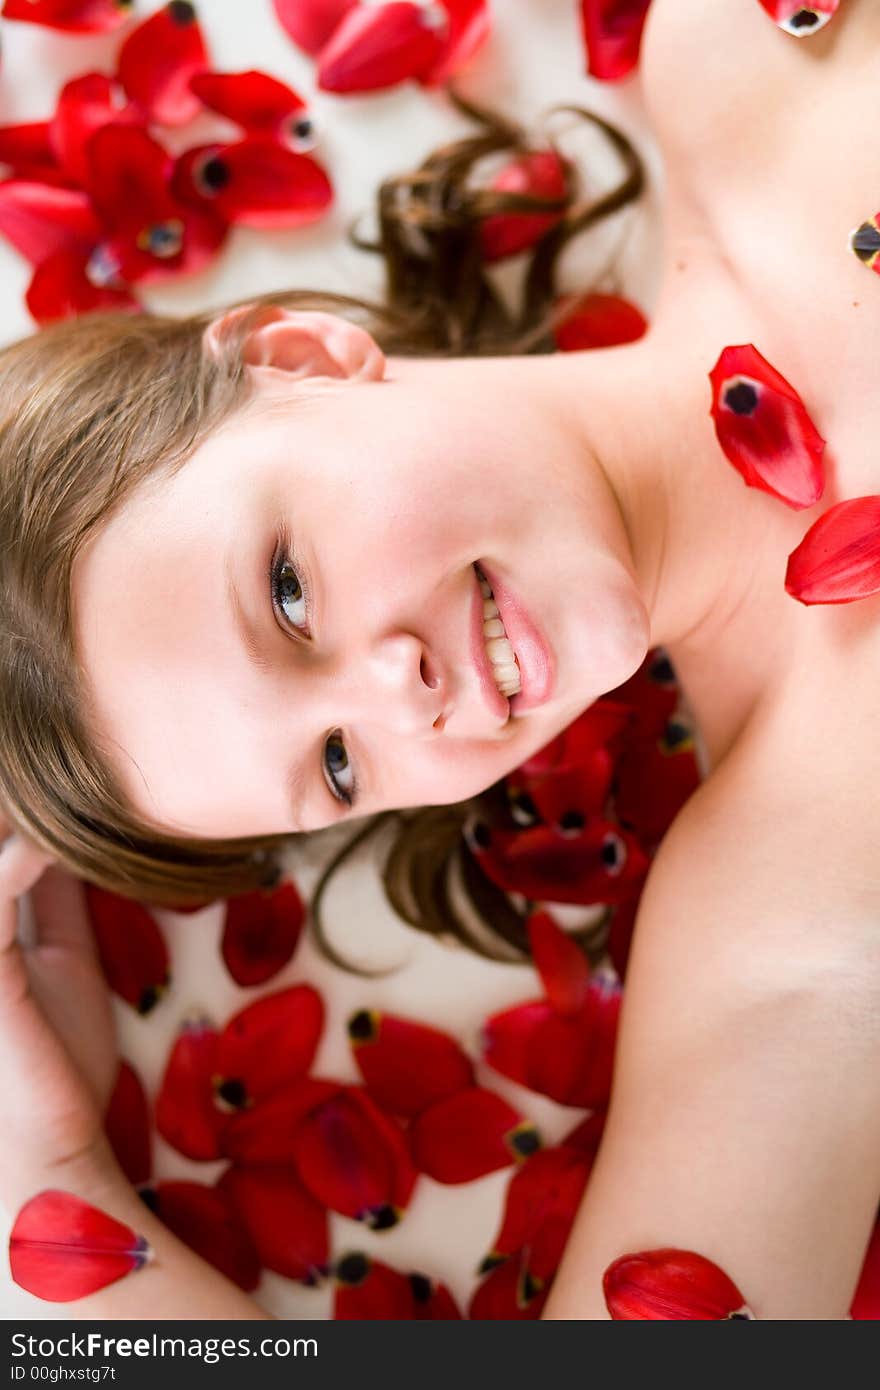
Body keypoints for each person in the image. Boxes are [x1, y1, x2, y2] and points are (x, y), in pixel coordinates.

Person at [1, 0, 879, 1319]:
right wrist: (42, 1175)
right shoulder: (786, 910)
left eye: (290, 596)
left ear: (298, 354)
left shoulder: (745, 56)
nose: (394, 693)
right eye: (341, 763)